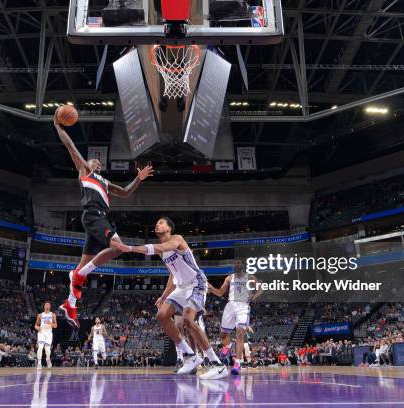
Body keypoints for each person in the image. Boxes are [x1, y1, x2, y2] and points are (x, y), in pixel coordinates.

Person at [53, 109, 154, 327]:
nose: (96, 163)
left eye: (98, 163)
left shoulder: (105, 183)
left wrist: (138, 178)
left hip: (97, 219)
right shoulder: (85, 172)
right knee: (117, 248)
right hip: (93, 216)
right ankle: (78, 275)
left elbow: (126, 193)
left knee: (85, 264)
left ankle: (69, 305)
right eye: (93, 162)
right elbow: (70, 146)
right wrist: (57, 126)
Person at [112, 217, 228, 379]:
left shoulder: (177, 239)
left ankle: (218, 364)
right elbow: (172, 274)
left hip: (196, 283)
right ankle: (190, 355)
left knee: (188, 320)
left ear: (169, 228)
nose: (157, 224)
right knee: (162, 315)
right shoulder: (163, 253)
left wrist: (130, 248)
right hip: (181, 287)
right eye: (156, 222)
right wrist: (164, 295)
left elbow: (161, 247)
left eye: (160, 222)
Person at [208, 259, 262, 375]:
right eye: (235, 263)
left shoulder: (251, 277)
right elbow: (220, 292)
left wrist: (254, 296)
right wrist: (210, 287)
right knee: (223, 334)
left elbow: (260, 289)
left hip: (243, 306)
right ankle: (227, 345)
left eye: (239, 263)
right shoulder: (229, 278)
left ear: (243, 265)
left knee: (240, 333)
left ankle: (237, 363)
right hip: (231, 306)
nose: (237, 264)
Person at [34, 301, 57, 369]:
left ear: (50, 306)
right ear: (44, 306)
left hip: (49, 334)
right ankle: (39, 363)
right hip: (41, 333)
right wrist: (37, 327)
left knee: (47, 349)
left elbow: (55, 326)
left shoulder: (53, 315)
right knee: (40, 347)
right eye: (46, 304)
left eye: (48, 304)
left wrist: (50, 323)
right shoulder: (40, 315)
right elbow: (36, 325)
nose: (47, 305)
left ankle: (48, 359)